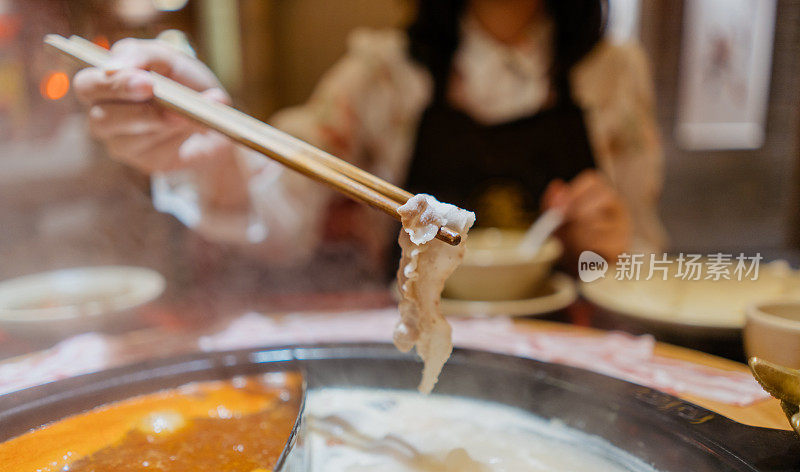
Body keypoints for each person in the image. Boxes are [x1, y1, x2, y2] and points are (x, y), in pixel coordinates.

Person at [73, 0, 666, 275]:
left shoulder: (615, 73)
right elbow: (283, 209)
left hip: (569, 360)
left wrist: (609, 245)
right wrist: (212, 154)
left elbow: (647, 257)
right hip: (404, 355)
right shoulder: (383, 71)